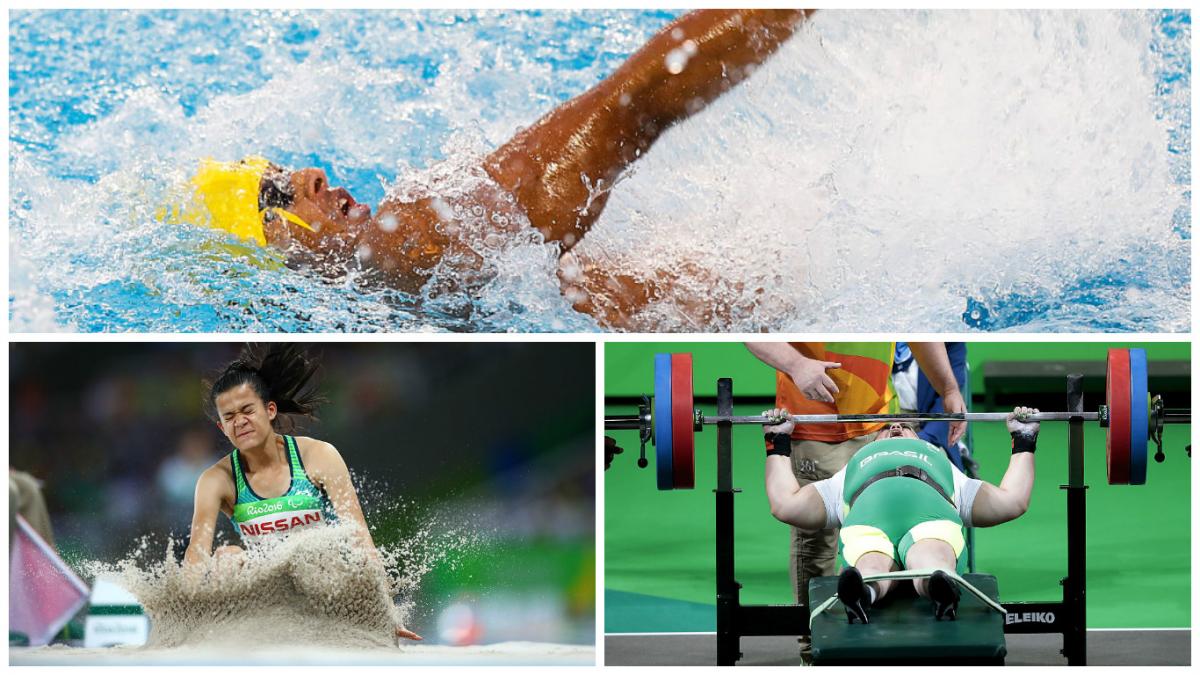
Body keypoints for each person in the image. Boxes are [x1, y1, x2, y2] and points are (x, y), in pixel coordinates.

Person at [183, 10, 815, 328]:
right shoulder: (410, 236)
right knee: (630, 102)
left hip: (755, 305)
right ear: (272, 241)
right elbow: (637, 103)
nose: (309, 175)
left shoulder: (371, 297)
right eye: (275, 190)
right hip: (774, 298)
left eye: (283, 167)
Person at [182, 343, 421, 642]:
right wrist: (184, 619)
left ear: (269, 410)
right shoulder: (216, 479)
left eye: (247, 410)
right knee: (227, 557)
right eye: (229, 417)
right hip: (266, 590)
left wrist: (385, 612)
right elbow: (197, 552)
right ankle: (240, 634)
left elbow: (359, 535)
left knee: (334, 557)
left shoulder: (319, 455)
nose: (239, 421)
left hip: (322, 580)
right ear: (221, 427)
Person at [743, 341, 964, 659]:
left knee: (893, 532)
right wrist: (796, 364)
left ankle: (894, 647)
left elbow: (916, 327)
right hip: (816, 425)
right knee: (816, 543)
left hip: (879, 421)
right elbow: (751, 328)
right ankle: (814, 649)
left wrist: (948, 388)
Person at [761, 407, 1039, 623]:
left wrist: (1023, 439)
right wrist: (777, 442)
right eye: (885, 427)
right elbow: (786, 505)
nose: (895, 426)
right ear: (872, 440)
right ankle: (863, 594)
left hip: (931, 520)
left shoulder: (944, 464)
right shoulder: (846, 473)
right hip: (869, 527)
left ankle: (939, 587)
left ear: (918, 438)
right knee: (870, 564)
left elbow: (1011, 501)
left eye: (905, 425)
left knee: (931, 558)